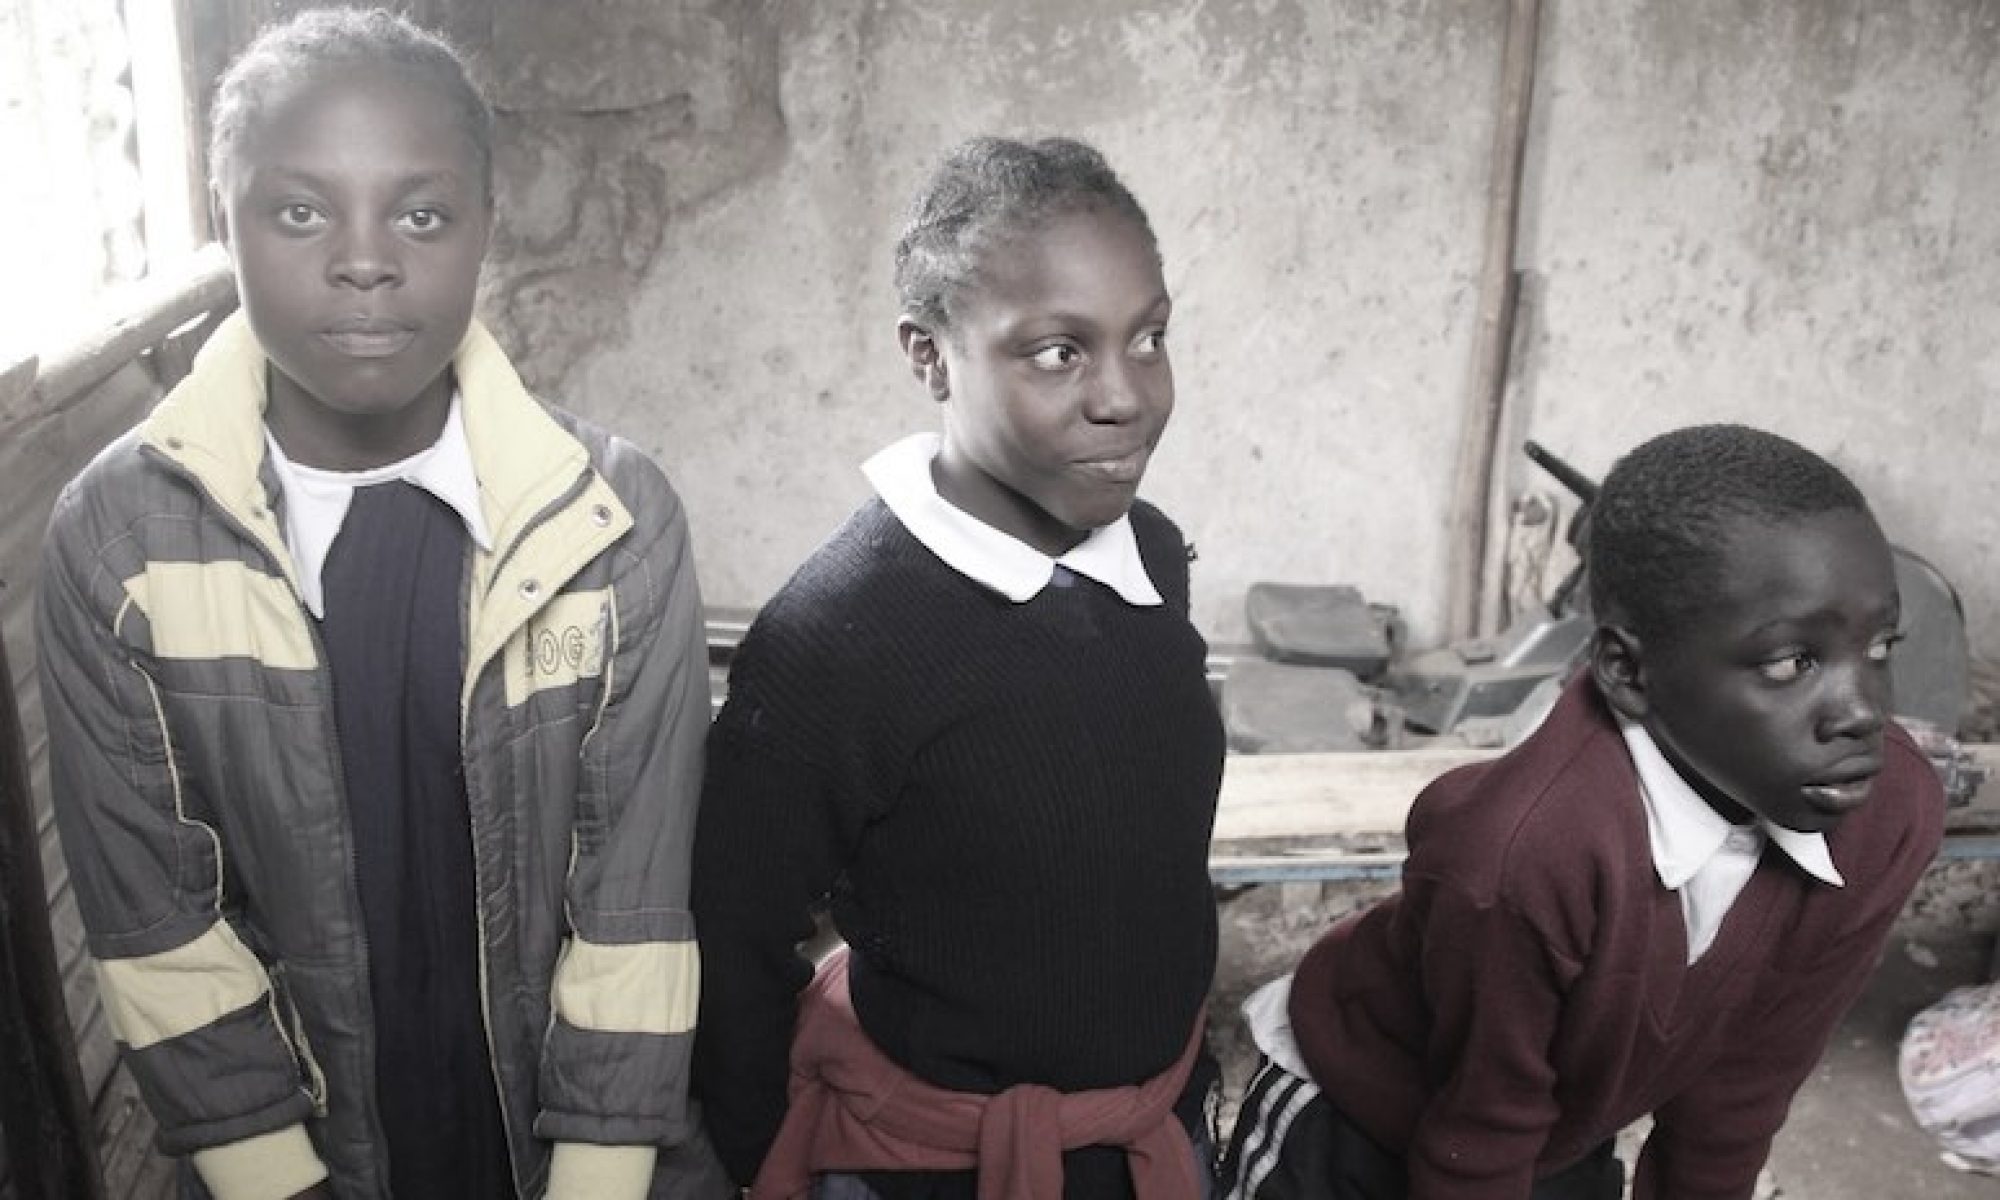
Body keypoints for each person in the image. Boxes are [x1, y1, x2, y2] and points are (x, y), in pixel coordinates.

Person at [35, 9, 723, 1198]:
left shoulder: (607, 521)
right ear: (222, 221)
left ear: (484, 231)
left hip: (579, 1151)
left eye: (420, 213)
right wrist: (274, 1181)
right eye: (301, 211)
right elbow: (162, 928)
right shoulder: (120, 543)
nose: (365, 259)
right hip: (293, 1158)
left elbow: (633, 909)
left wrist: (598, 1180)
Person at [691, 136, 1225, 1199]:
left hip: (1146, 1139)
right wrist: (763, 1161)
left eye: (1147, 337)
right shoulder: (836, 638)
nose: (1123, 397)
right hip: (933, 1168)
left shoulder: (1149, 555)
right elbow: (731, 935)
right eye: (1057, 352)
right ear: (928, 354)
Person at [1219, 424, 1947, 1200]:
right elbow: (1480, 1131)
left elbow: (1742, 1092)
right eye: (1791, 663)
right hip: (1365, 1123)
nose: (1861, 711)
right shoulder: (1524, 854)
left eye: (1880, 647)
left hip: (1563, 1129)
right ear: (1628, 671)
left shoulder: (1888, 811)